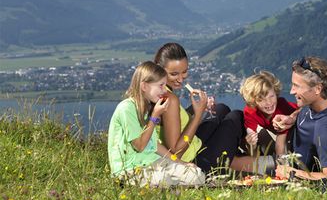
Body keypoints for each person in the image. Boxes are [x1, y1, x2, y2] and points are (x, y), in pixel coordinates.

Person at [153, 42, 248, 174]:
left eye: (184, 72)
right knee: (236, 116)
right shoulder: (170, 99)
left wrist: (194, 108)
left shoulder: (159, 91)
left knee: (221, 109)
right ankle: (238, 159)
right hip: (193, 161)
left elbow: (173, 122)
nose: (180, 79)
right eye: (174, 74)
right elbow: (175, 152)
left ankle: (230, 153)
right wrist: (197, 115)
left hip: (193, 146)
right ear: (159, 70)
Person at [107, 61, 205, 187]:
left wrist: (181, 163)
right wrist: (154, 117)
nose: (164, 90)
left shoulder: (146, 108)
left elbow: (155, 146)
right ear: (144, 86)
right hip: (130, 169)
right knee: (164, 179)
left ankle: (172, 186)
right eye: (161, 85)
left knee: (195, 174)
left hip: (153, 162)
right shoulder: (127, 108)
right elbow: (139, 146)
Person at [275, 56, 327, 180]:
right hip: (287, 141)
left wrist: (290, 172)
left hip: (288, 164)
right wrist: (292, 118)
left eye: (296, 86)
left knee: (243, 166)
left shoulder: (326, 129)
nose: (292, 91)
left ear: (318, 89)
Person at [240, 71, 298, 157]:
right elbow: (251, 139)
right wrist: (251, 144)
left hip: (296, 126)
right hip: (276, 133)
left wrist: (281, 164)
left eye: (271, 96)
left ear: (276, 93)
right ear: (253, 100)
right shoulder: (250, 112)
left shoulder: (281, 106)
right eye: (261, 99)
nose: (269, 102)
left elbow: (280, 143)